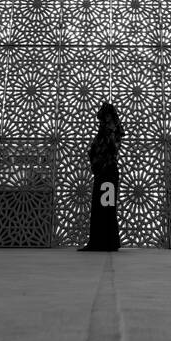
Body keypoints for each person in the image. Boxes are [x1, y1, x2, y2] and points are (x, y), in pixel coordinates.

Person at [78, 101, 122, 251]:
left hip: (108, 174)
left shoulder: (112, 131)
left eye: (106, 117)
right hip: (103, 174)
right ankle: (101, 242)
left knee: (106, 207)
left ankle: (106, 242)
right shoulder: (106, 131)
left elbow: (110, 149)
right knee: (101, 207)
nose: (104, 121)